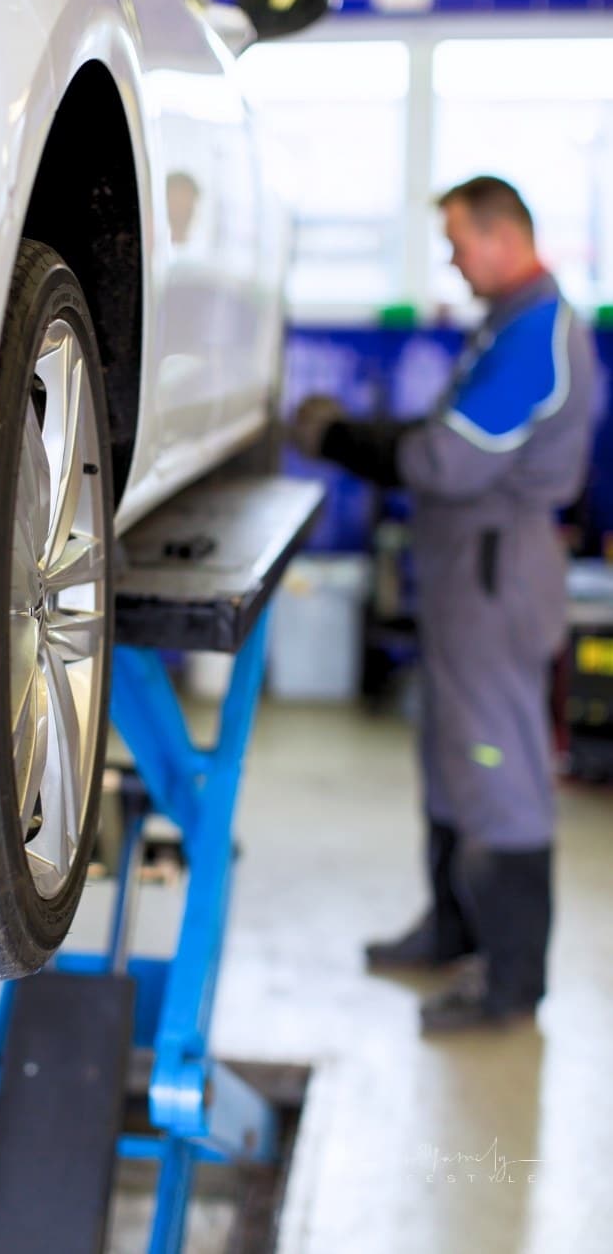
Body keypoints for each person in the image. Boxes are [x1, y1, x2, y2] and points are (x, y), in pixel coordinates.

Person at [289, 176, 597, 1033]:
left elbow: (445, 463)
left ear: (503, 238)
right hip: (468, 570)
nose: (455, 262)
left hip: (497, 575)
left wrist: (339, 438)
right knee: (457, 755)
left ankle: (509, 984)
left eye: (460, 243)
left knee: (500, 771)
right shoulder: (507, 323)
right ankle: (452, 930)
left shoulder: (538, 330)